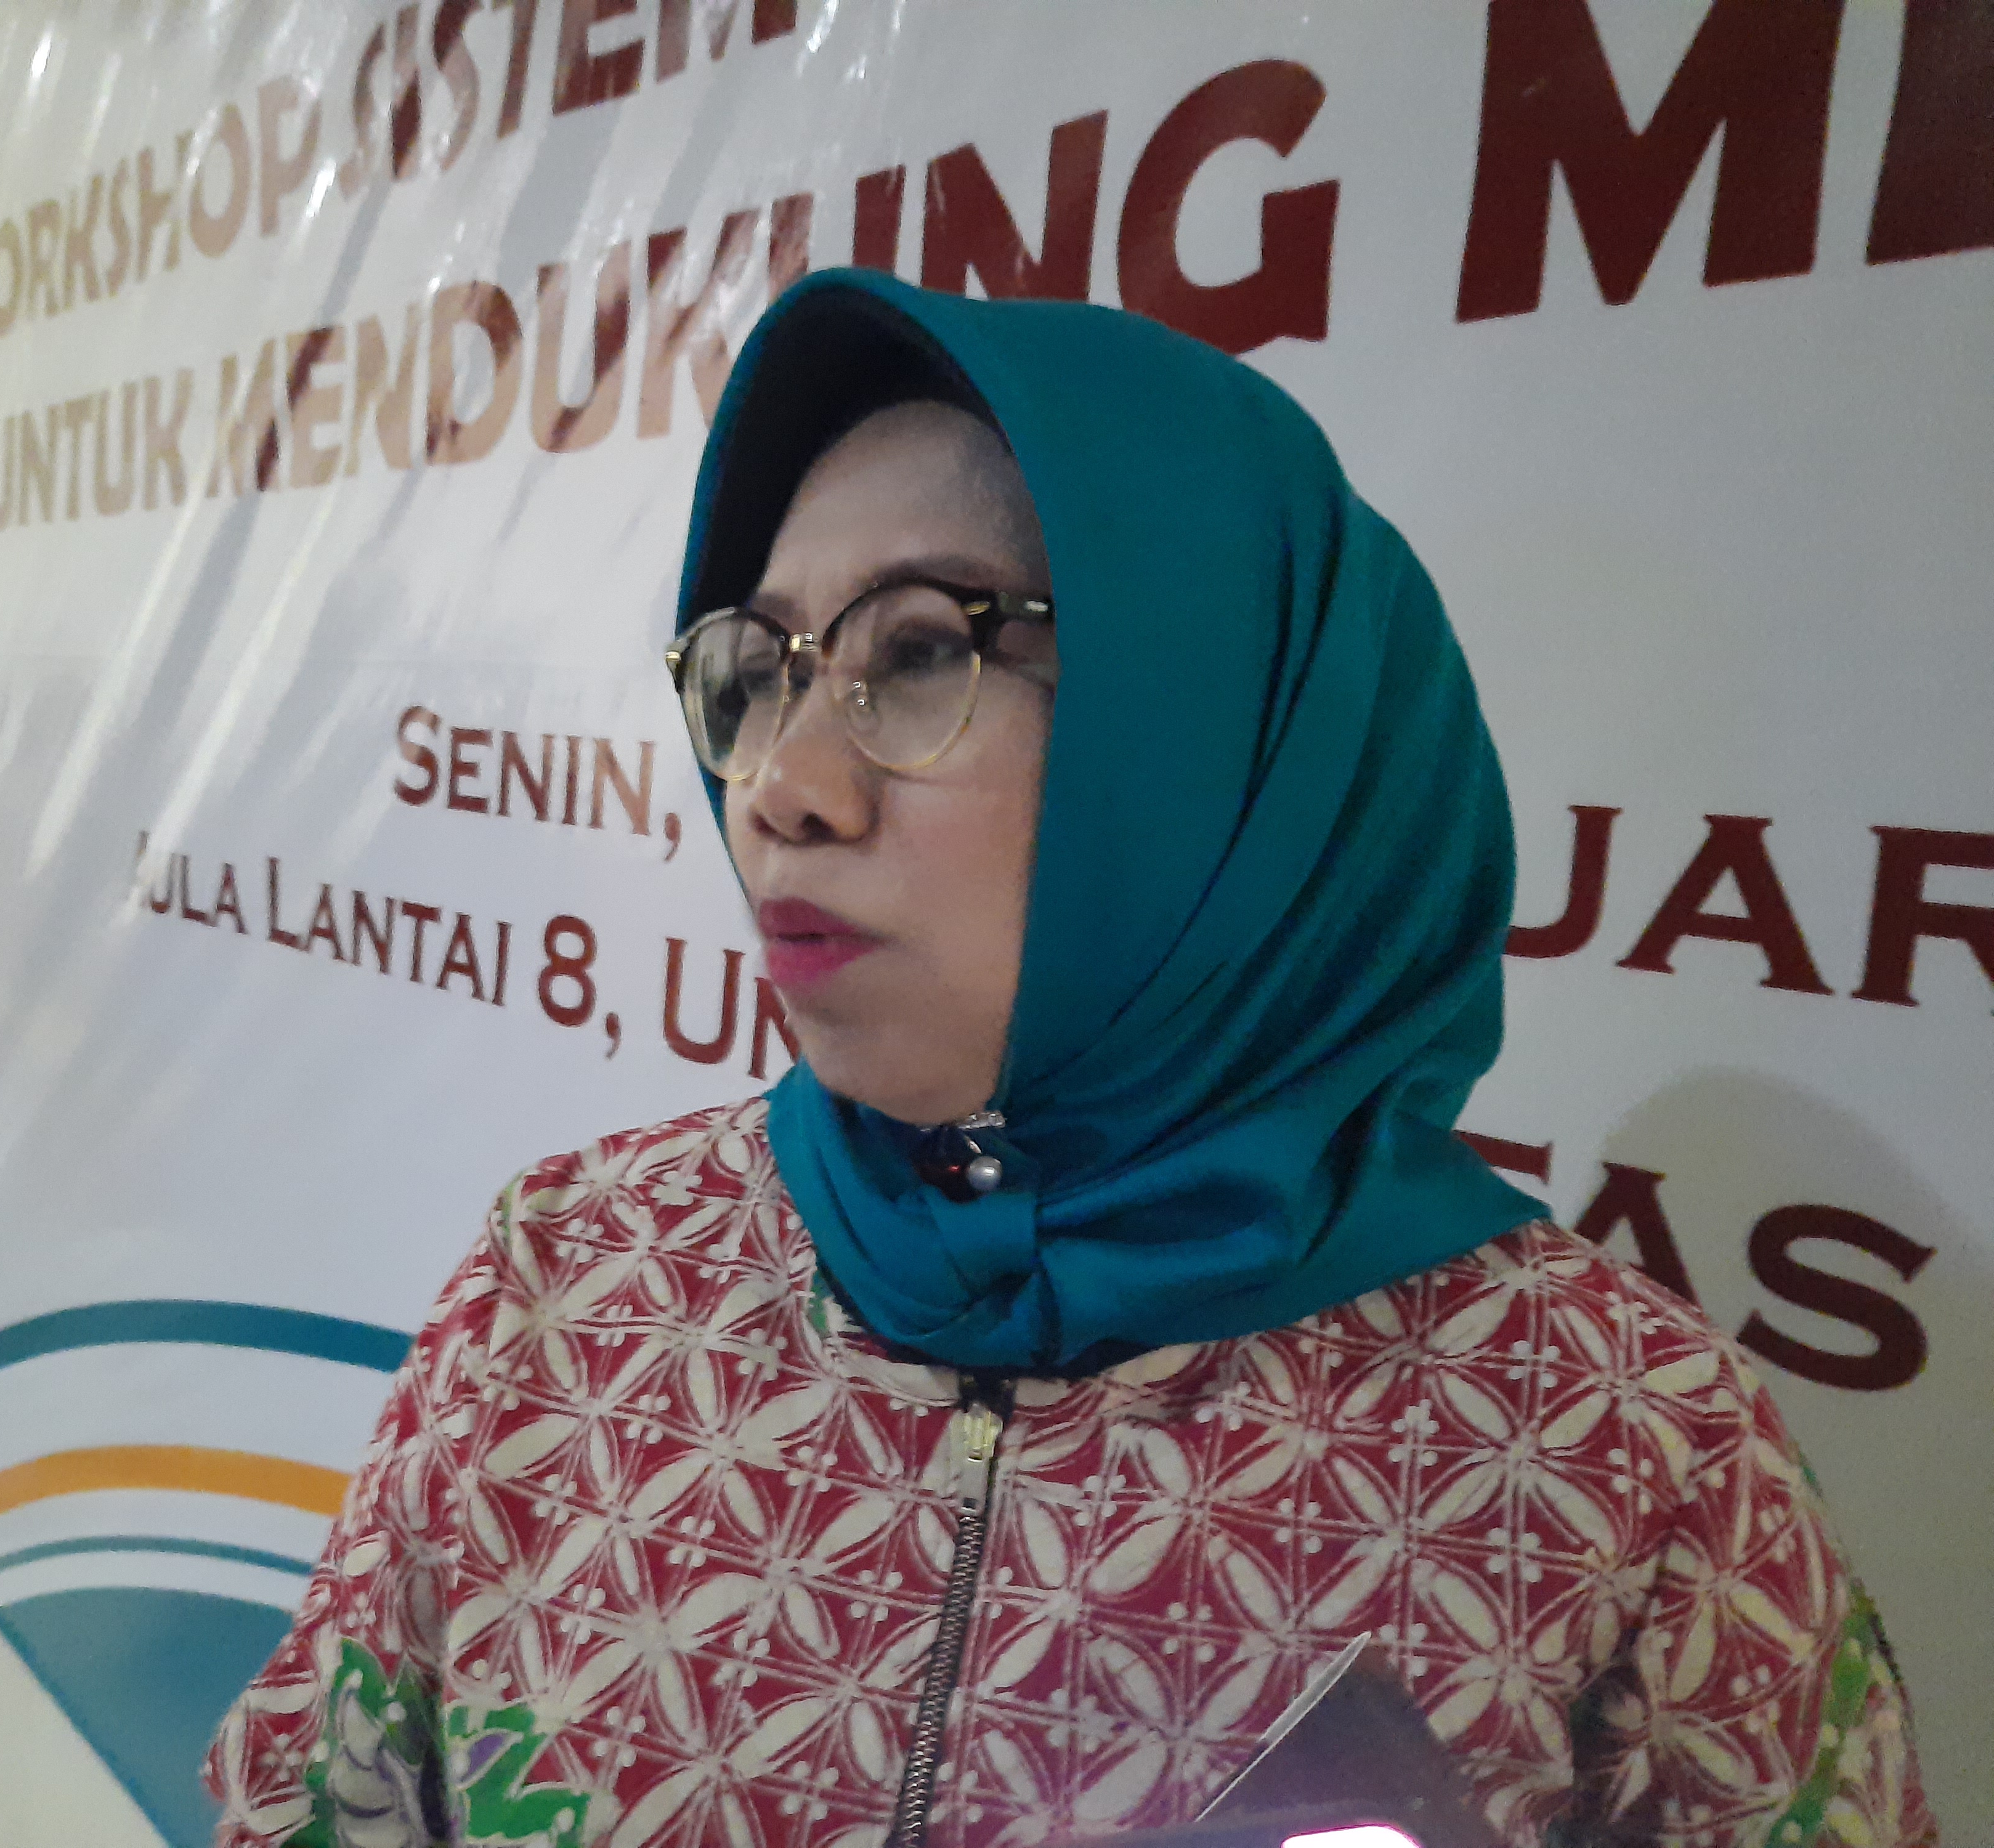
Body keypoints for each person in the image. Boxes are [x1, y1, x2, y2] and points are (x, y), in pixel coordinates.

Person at [207, 272, 1935, 1848]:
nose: (782, 787)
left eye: (920, 652)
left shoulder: (1616, 1453)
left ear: (1227, 734)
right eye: (757, 674)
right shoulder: (577, 1280)